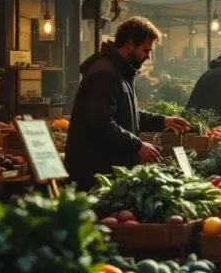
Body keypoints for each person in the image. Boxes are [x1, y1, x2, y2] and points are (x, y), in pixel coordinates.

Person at [66, 17, 190, 191]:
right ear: (130, 44)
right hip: (96, 174)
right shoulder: (106, 74)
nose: (148, 57)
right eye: (145, 50)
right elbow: (101, 124)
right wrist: (137, 145)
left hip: (107, 170)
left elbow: (125, 115)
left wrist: (163, 121)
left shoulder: (121, 72)